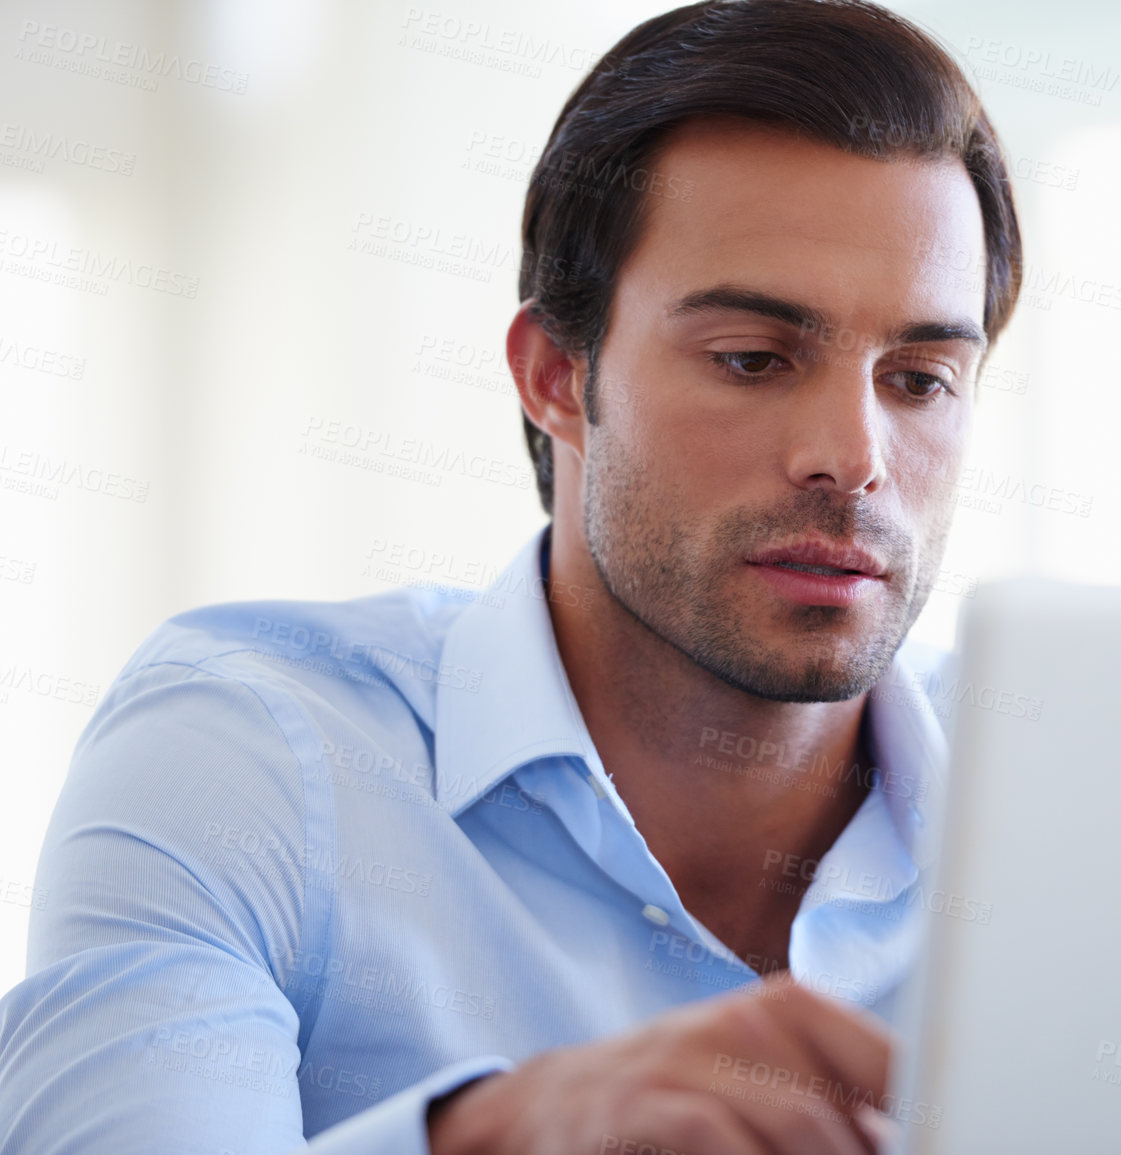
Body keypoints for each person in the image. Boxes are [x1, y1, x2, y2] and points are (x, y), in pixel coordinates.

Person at [0, 1, 1022, 1151]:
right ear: (553, 375)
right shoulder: (250, 750)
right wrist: (484, 1136)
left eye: (922, 378)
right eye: (752, 358)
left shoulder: (1066, 822)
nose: (853, 459)